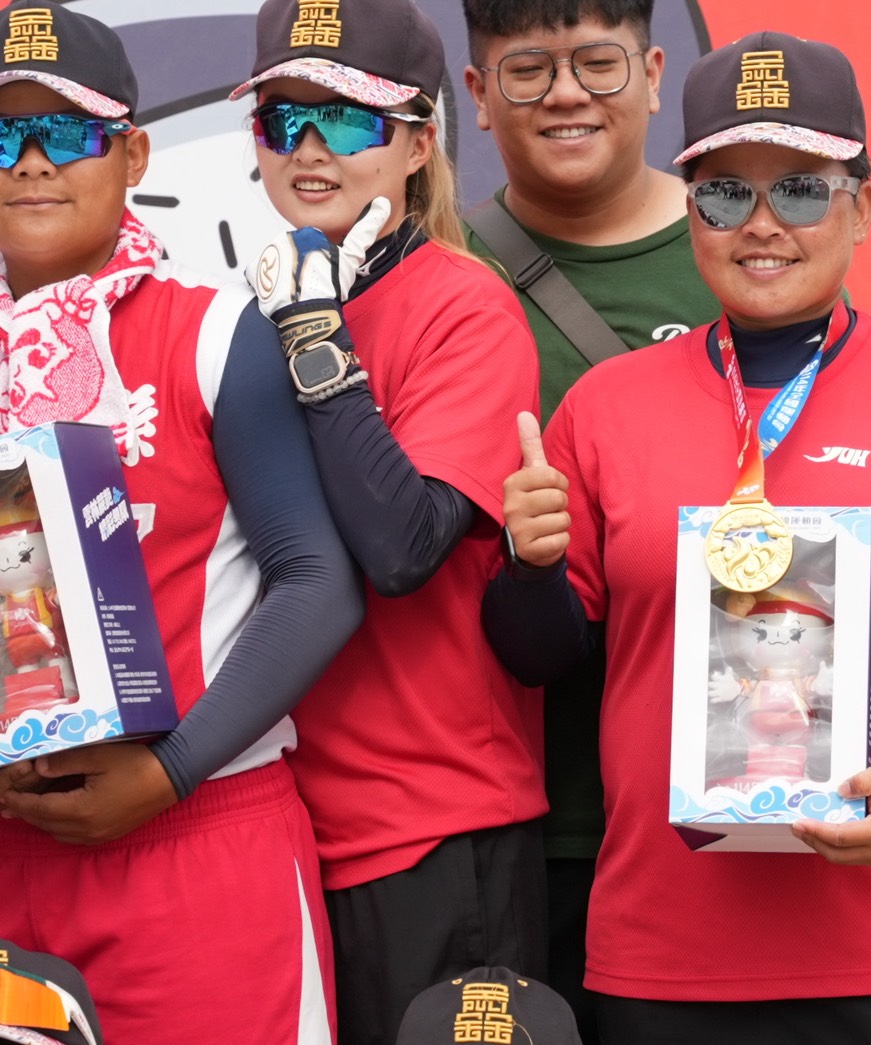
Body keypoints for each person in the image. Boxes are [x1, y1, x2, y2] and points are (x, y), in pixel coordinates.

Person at [483, 30, 871, 1045]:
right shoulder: (606, 406)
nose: (761, 224)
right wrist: (528, 566)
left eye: (800, 189)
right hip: (664, 960)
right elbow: (540, 655)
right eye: (724, 194)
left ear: (862, 206)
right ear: (691, 211)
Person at [0, 2, 362, 1041]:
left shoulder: (214, 331)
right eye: (4, 137)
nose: (32, 162)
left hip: (196, 837)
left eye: (67, 133)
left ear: (133, 154)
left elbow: (318, 580)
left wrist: (171, 769)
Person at [230, 1, 544, 1041]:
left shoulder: (463, 303)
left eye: (348, 118)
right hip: (278, 823)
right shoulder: (246, 313)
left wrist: (317, 342)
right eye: (284, 119)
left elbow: (402, 547)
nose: (310, 147)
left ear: (417, 142)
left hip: (434, 829)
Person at [460, 3, 719, 1036]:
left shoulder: (752, 240)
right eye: (527, 69)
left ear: (653, 73)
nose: (565, 93)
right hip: (522, 820)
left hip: (734, 797)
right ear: (477, 96)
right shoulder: (439, 270)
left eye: (596, 63)